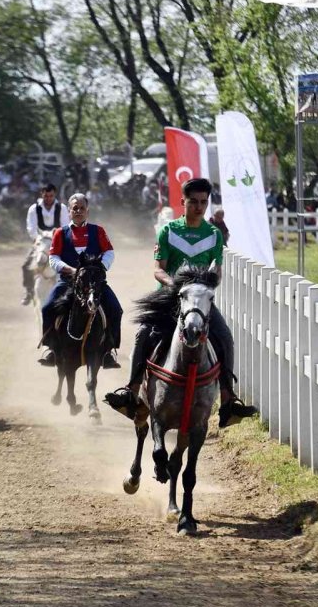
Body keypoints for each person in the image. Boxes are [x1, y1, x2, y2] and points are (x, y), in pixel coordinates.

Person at [104, 178, 257, 428]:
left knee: (225, 337)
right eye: (193, 202)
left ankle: (228, 401)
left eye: (203, 202)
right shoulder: (168, 231)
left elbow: (217, 270)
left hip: (199, 302)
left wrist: (207, 284)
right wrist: (175, 285)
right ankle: (130, 392)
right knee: (143, 333)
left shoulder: (214, 234)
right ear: (182, 202)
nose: (199, 207)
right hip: (169, 298)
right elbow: (158, 269)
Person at [37, 193, 122, 369]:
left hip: (94, 284)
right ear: (69, 211)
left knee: (115, 309)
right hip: (67, 283)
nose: (78, 211)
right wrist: (71, 270)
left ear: (87, 211)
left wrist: (100, 268)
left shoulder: (98, 231)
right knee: (46, 308)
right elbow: (53, 258)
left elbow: (109, 252)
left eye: (82, 208)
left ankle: (108, 351)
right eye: (75, 208)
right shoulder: (60, 233)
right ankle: (52, 348)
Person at [21, 183, 67, 305]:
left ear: (54, 195)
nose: (48, 198)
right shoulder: (34, 209)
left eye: (51, 196)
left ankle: (69, 289)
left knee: (71, 263)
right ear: (42, 194)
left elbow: (65, 226)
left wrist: (56, 239)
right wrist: (38, 239)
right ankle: (29, 292)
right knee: (26, 266)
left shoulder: (61, 208)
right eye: (46, 196)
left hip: (57, 242)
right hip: (40, 242)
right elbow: (31, 227)